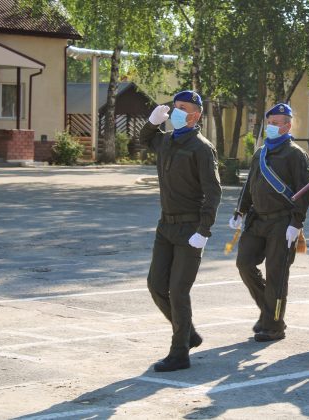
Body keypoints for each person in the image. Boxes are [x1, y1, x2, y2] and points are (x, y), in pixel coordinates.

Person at [140, 90, 222, 371]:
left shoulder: (201, 147)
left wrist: (204, 230)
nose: (175, 112)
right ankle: (187, 333)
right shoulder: (166, 140)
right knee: (155, 284)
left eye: (181, 108)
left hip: (190, 228)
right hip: (166, 225)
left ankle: (179, 353)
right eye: (174, 107)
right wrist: (152, 122)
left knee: (178, 290)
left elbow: (213, 192)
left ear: (195, 115)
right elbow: (143, 140)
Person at [230, 103, 309, 342]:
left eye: (277, 123)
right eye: (270, 123)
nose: (272, 127)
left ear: (288, 126)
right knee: (244, 264)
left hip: (282, 222)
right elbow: (249, 186)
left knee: (276, 275)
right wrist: (240, 210)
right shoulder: (261, 153)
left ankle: (274, 326)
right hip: (257, 220)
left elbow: (303, 191)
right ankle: (269, 313)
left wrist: (296, 223)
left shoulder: (296, 154)